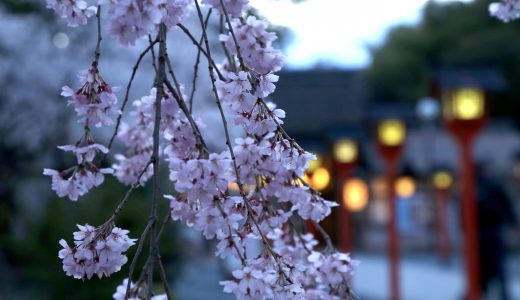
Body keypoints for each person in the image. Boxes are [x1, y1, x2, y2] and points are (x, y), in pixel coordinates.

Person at [476, 164, 517, 300]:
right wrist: (512, 222)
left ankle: (481, 291)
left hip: (480, 232)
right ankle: (502, 293)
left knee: (482, 265)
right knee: (497, 265)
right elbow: (506, 206)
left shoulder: (472, 187)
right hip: (492, 230)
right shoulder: (494, 186)